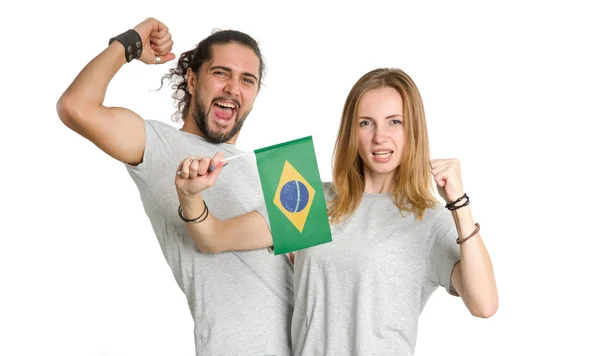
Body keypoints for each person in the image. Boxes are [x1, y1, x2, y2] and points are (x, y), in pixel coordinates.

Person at [174, 67, 499, 355]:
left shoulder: (427, 220)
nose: (379, 137)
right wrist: (189, 196)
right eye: (366, 123)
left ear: (413, 129)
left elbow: (484, 305)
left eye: (394, 122)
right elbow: (213, 239)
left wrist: (458, 203)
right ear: (351, 131)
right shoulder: (310, 199)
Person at [56, 17, 293, 355]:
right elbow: (75, 107)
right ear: (193, 80)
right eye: (221, 73)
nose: (232, 88)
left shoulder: (268, 171)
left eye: (247, 80)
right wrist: (129, 44)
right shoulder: (161, 145)